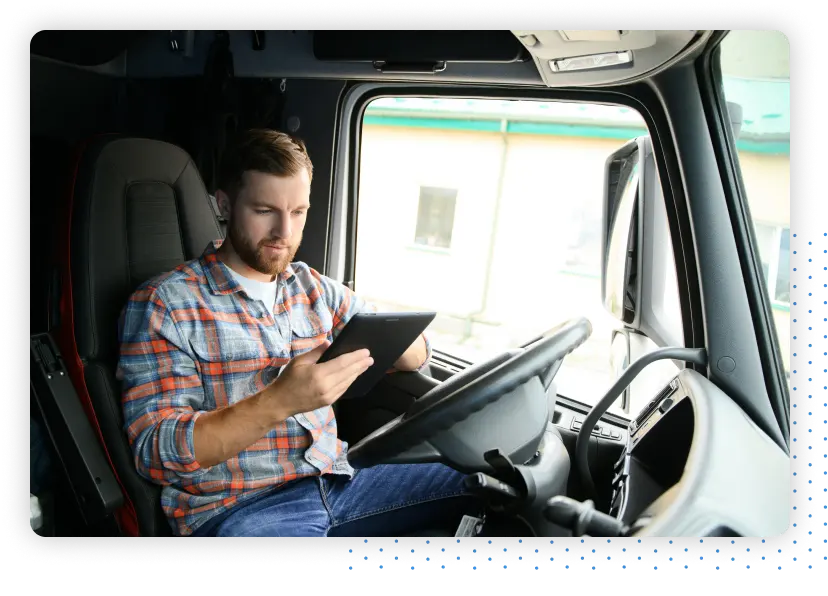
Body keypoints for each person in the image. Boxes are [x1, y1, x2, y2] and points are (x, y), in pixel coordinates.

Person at [117, 129, 479, 538]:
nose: (284, 232)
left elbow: (416, 354)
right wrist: (280, 400)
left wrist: (400, 344)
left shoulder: (311, 286)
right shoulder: (166, 304)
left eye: (299, 212)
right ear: (224, 204)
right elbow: (155, 453)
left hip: (340, 481)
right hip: (241, 510)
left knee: (493, 482)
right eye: (264, 210)